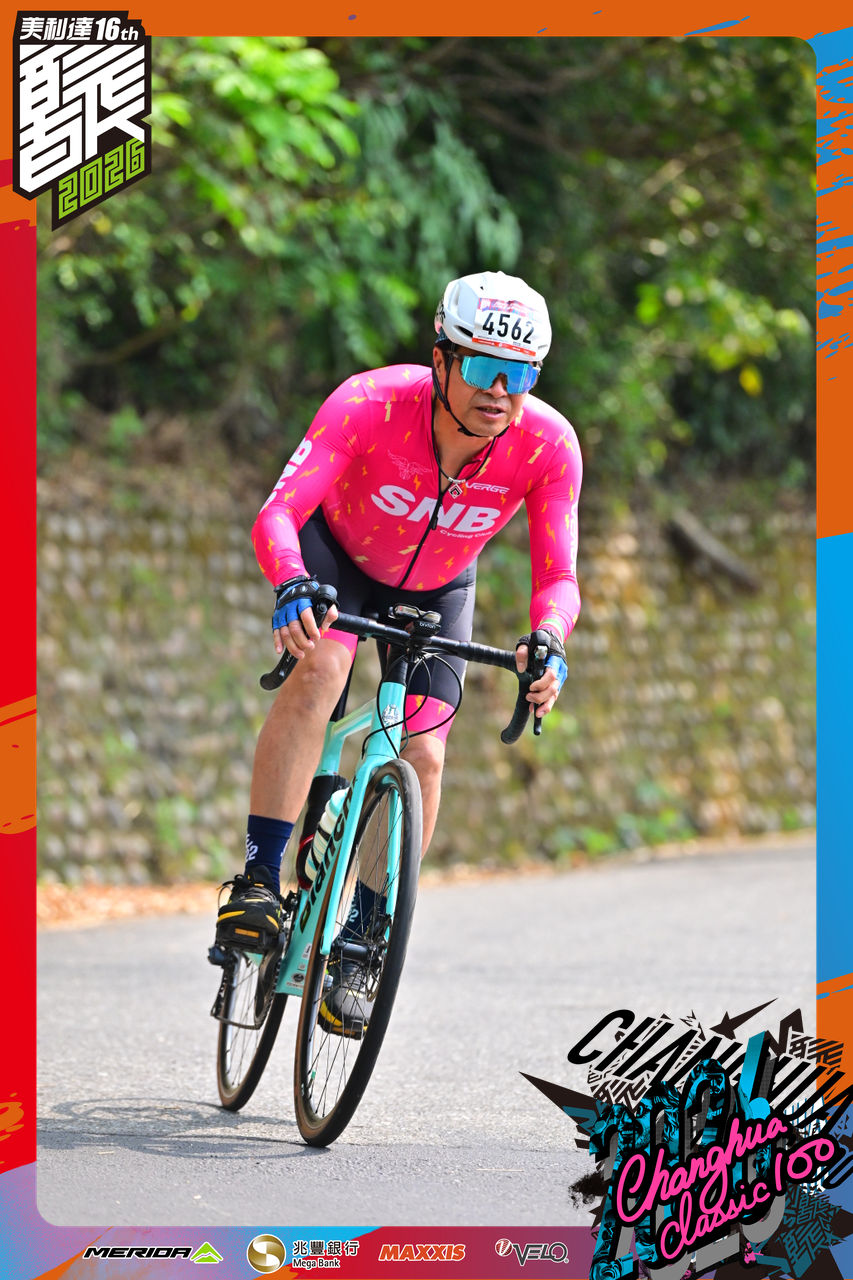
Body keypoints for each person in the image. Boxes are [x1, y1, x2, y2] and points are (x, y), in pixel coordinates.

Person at [214, 270, 583, 1031]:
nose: (500, 392)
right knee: (324, 665)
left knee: (425, 754)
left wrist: (549, 640)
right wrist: (290, 582)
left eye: (519, 376)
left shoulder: (548, 444)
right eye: (483, 368)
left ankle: (365, 936)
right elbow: (279, 513)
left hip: (439, 586)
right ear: (442, 359)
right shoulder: (371, 402)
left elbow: (558, 579)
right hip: (338, 561)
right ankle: (257, 881)